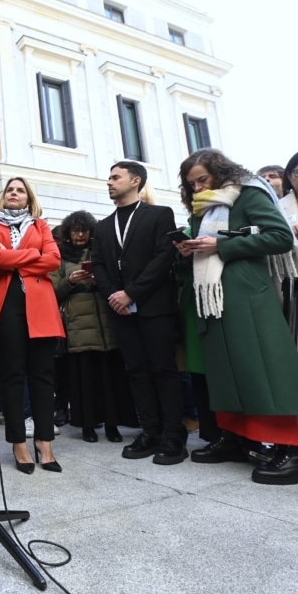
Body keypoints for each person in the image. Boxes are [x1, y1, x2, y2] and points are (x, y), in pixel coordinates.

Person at [176, 149, 298, 484]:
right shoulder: (203, 207)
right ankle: (236, 439)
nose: (197, 188)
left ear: (220, 171)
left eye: (202, 180)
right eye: (192, 184)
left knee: (265, 372)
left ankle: (295, 453)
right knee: (225, 371)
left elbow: (280, 237)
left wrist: (220, 246)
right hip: (213, 297)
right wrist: (189, 249)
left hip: (248, 294)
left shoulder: (249, 193)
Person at [92, 161, 186, 465]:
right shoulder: (103, 226)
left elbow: (163, 257)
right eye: (109, 178)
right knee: (136, 371)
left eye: (115, 177)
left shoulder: (159, 214)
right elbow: (99, 265)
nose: (109, 182)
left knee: (164, 369)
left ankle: (173, 434)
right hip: (120, 310)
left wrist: (131, 292)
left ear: (136, 181)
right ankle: (150, 430)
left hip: (155, 306)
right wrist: (114, 296)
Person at [0, 177, 64, 474]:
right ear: (4, 196)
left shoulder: (41, 226)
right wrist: (33, 255)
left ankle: (45, 441)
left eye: (20, 190)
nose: (14, 193)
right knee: (12, 375)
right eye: (10, 190)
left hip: (41, 305)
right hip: (7, 305)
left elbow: (54, 260)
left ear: (29, 198)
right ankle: (19, 442)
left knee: (43, 375)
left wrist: (15, 259)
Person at [50, 210, 137, 443]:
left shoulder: (101, 251)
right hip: (78, 326)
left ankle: (112, 426)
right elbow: (52, 291)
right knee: (84, 379)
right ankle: (87, 426)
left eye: (84, 230)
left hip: (106, 323)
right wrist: (70, 281)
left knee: (110, 379)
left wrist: (100, 280)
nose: (80, 235)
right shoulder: (59, 257)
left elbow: (118, 279)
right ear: (68, 232)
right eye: (75, 230)